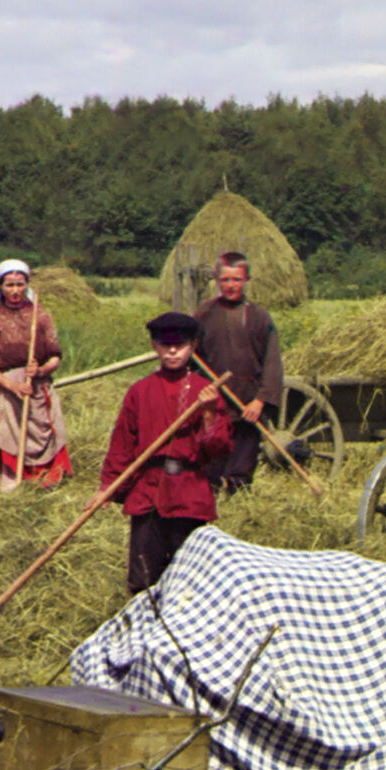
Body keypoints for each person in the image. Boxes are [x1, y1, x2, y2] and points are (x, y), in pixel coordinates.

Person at [103, 310, 234, 597]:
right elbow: (122, 444)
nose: (173, 351)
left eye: (181, 345)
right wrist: (109, 487)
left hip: (188, 493)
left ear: (193, 346)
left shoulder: (205, 391)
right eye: (166, 345)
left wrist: (209, 413)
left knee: (189, 581)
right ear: (155, 346)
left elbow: (218, 448)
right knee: (143, 580)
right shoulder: (140, 391)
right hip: (148, 492)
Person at [0, 259, 72, 488]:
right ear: (0, 286)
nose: (15, 291)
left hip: (36, 383)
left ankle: (43, 474)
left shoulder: (41, 317)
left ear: (27, 286)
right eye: (10, 285)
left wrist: (41, 369)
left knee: (46, 419)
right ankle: (0, 471)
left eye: (20, 285)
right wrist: (10, 385)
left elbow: (55, 355)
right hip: (4, 381)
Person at [193, 248, 285, 496]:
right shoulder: (205, 314)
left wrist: (260, 400)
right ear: (217, 279)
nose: (230, 285)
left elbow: (273, 363)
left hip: (247, 400)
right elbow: (192, 357)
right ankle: (209, 495)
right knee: (212, 454)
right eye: (225, 279)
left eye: (236, 279)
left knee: (243, 459)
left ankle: (239, 496)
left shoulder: (259, 317)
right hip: (215, 398)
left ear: (246, 280)